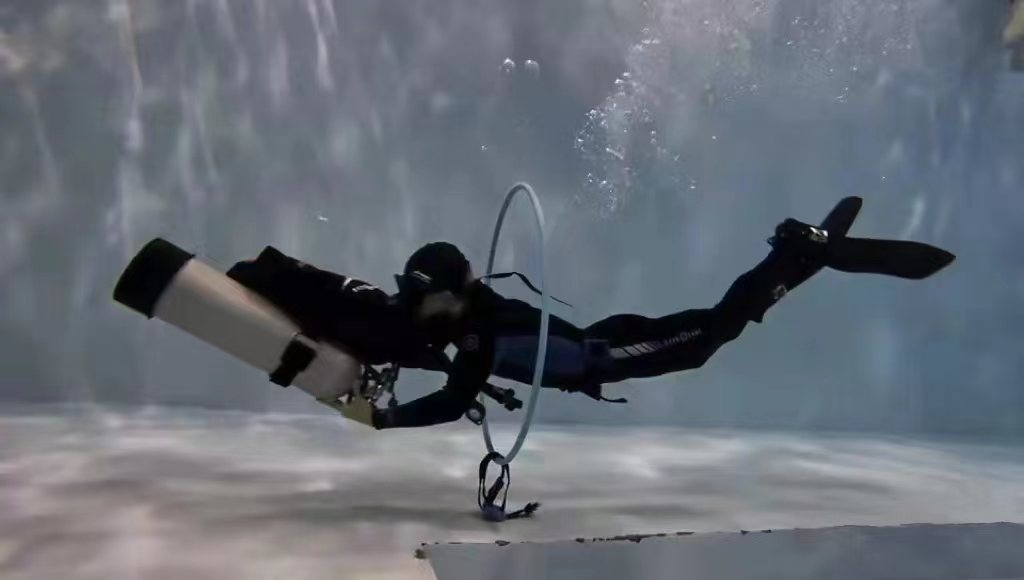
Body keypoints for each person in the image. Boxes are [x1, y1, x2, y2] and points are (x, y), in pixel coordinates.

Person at [347, 197, 955, 430]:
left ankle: (794, 248)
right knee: (717, 326)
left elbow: (454, 398)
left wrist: (384, 419)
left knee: (710, 334)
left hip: (606, 354)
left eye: (421, 294)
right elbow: (421, 340)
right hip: (602, 346)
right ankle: (798, 259)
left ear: (451, 293)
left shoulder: (476, 330)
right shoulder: (457, 320)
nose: (415, 303)